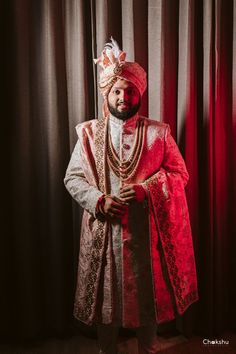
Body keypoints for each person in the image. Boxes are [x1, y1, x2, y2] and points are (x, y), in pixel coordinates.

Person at [64, 37, 198, 354]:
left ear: (139, 94)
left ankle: (149, 348)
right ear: (107, 94)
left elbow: (181, 174)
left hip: (146, 235)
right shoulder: (87, 133)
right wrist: (98, 200)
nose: (124, 98)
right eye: (117, 91)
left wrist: (145, 190)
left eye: (130, 91)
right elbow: (73, 176)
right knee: (104, 302)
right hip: (103, 232)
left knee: (147, 299)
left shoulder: (158, 133)